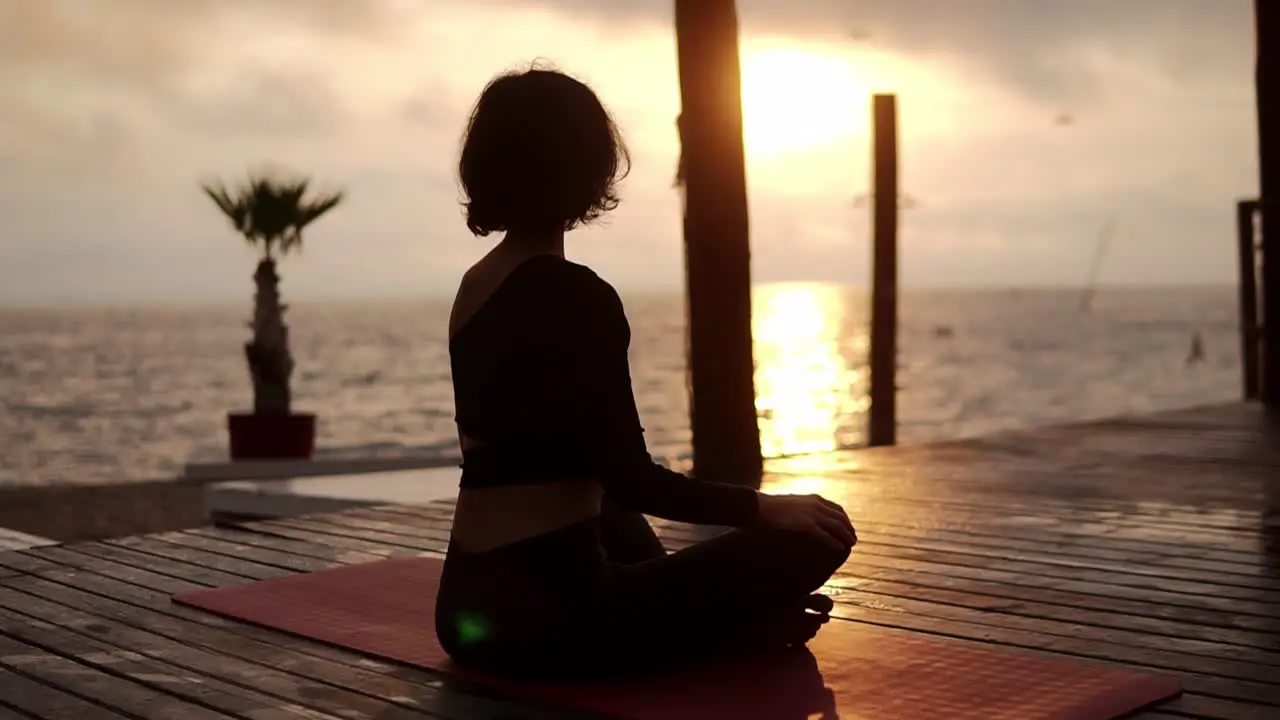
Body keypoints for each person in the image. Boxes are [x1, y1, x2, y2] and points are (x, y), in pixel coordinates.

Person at [436, 65, 857, 683]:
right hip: (554, 625)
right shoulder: (578, 295)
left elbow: (575, 474)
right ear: (589, 167)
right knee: (821, 530)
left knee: (605, 511)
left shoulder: (475, 288)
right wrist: (765, 509)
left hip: (468, 610)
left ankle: (718, 622)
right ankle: (726, 626)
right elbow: (634, 480)